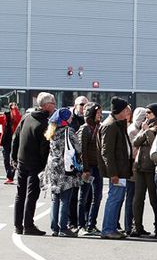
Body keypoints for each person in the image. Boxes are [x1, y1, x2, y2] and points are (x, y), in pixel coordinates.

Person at [11, 92, 56, 236]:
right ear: (46, 105)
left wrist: (14, 157)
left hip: (22, 161)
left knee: (20, 194)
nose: (55, 106)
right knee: (32, 194)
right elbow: (45, 147)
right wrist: (45, 167)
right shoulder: (47, 124)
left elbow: (16, 137)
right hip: (35, 164)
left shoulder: (26, 117)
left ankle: (18, 225)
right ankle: (28, 225)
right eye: (53, 103)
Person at [39, 108, 82, 237]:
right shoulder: (68, 131)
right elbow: (78, 148)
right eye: (69, 117)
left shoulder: (51, 131)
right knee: (65, 198)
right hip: (65, 167)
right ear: (64, 119)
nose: (71, 118)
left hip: (53, 166)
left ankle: (54, 228)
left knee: (55, 198)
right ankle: (63, 227)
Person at [97, 97, 133, 240]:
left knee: (117, 199)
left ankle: (111, 228)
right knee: (114, 198)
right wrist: (113, 173)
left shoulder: (117, 124)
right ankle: (107, 229)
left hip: (121, 169)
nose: (128, 112)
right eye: (126, 109)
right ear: (121, 110)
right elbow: (107, 152)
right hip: (116, 171)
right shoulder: (110, 125)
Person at [131, 114, 157, 237]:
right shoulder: (145, 126)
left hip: (152, 168)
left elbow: (154, 143)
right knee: (138, 199)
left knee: (154, 199)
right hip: (140, 167)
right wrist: (145, 130)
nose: (146, 115)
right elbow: (135, 142)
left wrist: (148, 131)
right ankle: (137, 226)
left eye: (149, 112)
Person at [77, 103, 103, 235]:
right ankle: (81, 225)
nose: (100, 115)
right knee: (83, 197)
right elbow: (82, 151)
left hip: (98, 167)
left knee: (97, 196)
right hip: (87, 168)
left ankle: (91, 224)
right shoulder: (84, 129)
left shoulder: (99, 127)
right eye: (98, 113)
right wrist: (85, 169)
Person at [1, 102, 22, 184]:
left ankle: (11, 177)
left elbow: (17, 118)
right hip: (6, 140)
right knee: (6, 159)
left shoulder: (18, 116)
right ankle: (9, 176)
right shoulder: (5, 116)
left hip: (15, 140)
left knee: (13, 159)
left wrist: (14, 109)